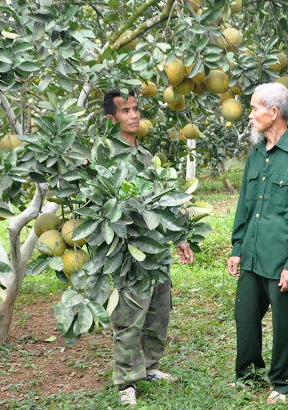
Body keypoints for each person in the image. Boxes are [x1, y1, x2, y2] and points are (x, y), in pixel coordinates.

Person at [103, 89, 194, 406]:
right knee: (129, 317)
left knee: (158, 313)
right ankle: (126, 381)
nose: (134, 115)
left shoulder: (145, 156)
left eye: (136, 109)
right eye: (125, 110)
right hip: (127, 254)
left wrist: (179, 238)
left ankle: (150, 366)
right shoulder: (106, 156)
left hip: (155, 251)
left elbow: (160, 204)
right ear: (111, 119)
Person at [227, 82, 288, 404]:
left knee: (286, 325)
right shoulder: (255, 153)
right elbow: (245, 205)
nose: (249, 116)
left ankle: (282, 381)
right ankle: (248, 371)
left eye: (254, 109)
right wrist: (237, 248)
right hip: (252, 253)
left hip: (281, 259)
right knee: (246, 316)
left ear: (274, 112)